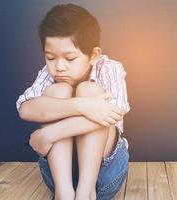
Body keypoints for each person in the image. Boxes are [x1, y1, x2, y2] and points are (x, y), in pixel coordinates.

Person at [15, 3, 131, 200]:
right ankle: (64, 193)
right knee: (58, 91)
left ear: (93, 55)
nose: (59, 67)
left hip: (105, 173)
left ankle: (86, 193)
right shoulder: (49, 75)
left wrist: (49, 134)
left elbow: (114, 112)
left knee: (89, 90)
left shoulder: (109, 68)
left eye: (69, 58)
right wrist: (81, 106)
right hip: (59, 177)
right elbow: (25, 108)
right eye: (50, 57)